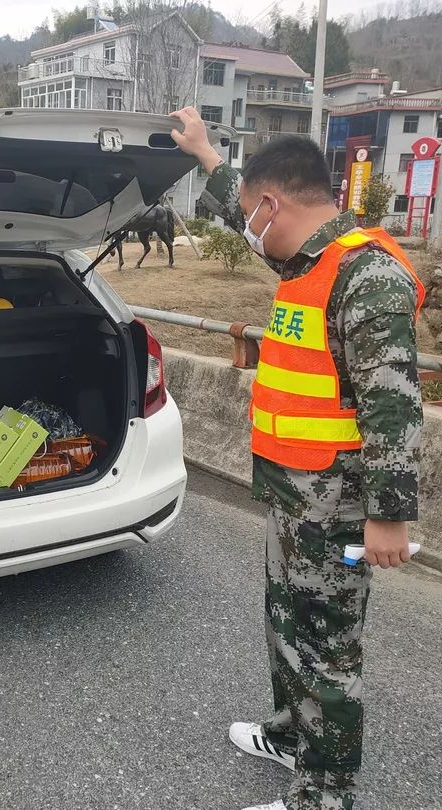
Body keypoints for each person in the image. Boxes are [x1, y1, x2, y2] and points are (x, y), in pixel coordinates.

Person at [170, 108, 425, 810]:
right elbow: (236, 204)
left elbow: (393, 406)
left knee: (327, 649)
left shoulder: (366, 276)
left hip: (339, 506)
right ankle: (291, 736)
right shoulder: (305, 260)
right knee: (286, 619)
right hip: (294, 495)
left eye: (252, 213)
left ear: (275, 204)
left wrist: (389, 517)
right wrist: (204, 153)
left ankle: (326, 793)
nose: (246, 226)